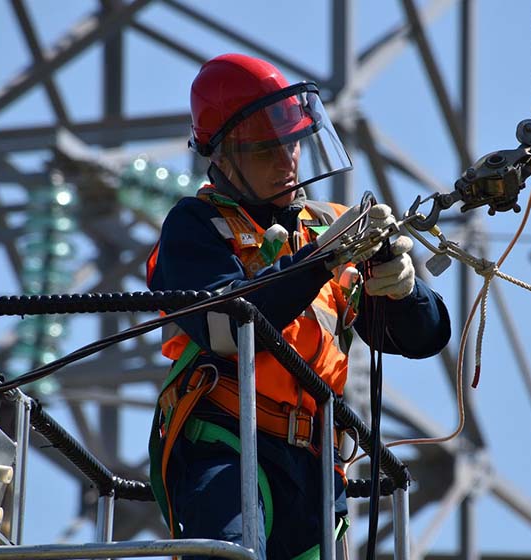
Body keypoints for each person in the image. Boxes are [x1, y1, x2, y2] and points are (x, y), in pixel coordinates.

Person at [146, 53, 451, 560]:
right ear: (222, 157)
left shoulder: (325, 226)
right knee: (231, 553)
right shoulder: (196, 225)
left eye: (292, 145)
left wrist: (404, 289)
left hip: (314, 465)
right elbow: (224, 329)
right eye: (267, 150)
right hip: (228, 439)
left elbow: (422, 338)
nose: (287, 161)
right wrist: (320, 261)